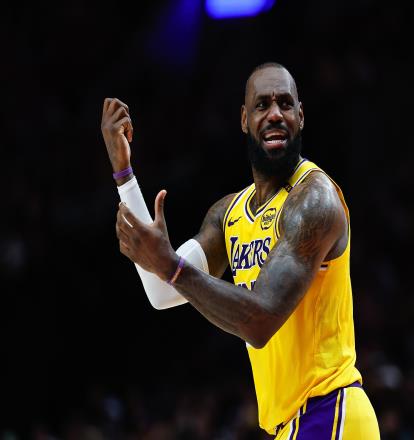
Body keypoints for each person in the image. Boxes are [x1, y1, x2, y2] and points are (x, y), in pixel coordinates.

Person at [101, 62, 380, 439]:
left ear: (300, 116)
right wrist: (124, 175)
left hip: (330, 410)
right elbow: (162, 292)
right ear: (244, 120)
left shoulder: (315, 200)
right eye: (262, 105)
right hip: (292, 424)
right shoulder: (228, 214)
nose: (275, 114)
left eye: (285, 104)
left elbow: (260, 320)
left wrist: (170, 265)